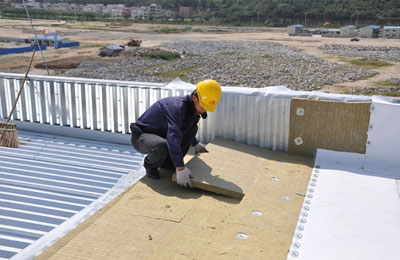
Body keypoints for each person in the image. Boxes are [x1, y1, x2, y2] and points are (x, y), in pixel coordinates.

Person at [130, 79, 222, 188]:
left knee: (193, 129)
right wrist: (180, 168)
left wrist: (195, 144)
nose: (204, 111)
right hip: (142, 137)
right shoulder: (176, 108)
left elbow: (187, 127)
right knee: (162, 145)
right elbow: (173, 138)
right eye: (203, 107)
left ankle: (168, 163)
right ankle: (149, 165)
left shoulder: (193, 109)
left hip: (162, 134)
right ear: (194, 97)